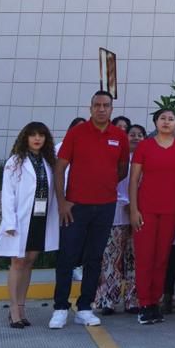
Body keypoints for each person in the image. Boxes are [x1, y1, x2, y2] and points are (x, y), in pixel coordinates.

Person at [50, 91, 130, 330]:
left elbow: (122, 169)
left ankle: (85, 307)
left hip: (105, 207)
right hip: (76, 207)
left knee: (94, 258)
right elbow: (59, 168)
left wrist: (103, 186)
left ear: (112, 109)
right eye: (97, 105)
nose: (102, 109)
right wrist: (63, 202)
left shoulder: (119, 136)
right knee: (67, 256)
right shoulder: (77, 133)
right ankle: (60, 307)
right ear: (91, 107)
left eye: (106, 105)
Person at [128, 108, 175, 325]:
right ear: (156, 122)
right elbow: (134, 180)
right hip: (146, 209)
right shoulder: (145, 146)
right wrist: (134, 210)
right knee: (145, 257)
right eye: (163, 118)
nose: (166, 122)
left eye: (171, 119)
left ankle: (155, 302)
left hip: (171, 210)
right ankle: (144, 303)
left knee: (162, 258)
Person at [0, 121, 60, 328]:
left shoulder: (48, 161)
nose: (37, 138)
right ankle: (13, 309)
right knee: (17, 261)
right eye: (33, 135)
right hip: (20, 219)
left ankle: (22, 306)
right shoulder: (15, 161)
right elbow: (7, 194)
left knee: (30, 260)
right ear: (26, 138)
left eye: (41, 135)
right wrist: (9, 222)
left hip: (40, 218)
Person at [96, 123, 143, 315]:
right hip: (116, 213)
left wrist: (135, 205)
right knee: (112, 258)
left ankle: (133, 299)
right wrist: (124, 202)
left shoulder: (145, 159)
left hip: (139, 214)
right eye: (132, 134)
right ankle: (108, 299)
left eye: (140, 135)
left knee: (135, 258)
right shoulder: (118, 157)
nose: (136, 138)